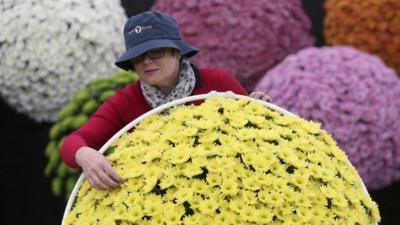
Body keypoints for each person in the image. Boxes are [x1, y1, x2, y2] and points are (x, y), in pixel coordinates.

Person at [60, 11, 270, 190]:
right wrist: (84, 154)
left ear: (176, 52)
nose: (147, 61)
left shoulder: (217, 81)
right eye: (138, 56)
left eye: (156, 51)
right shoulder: (124, 101)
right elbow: (72, 143)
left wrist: (259, 111)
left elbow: (256, 133)